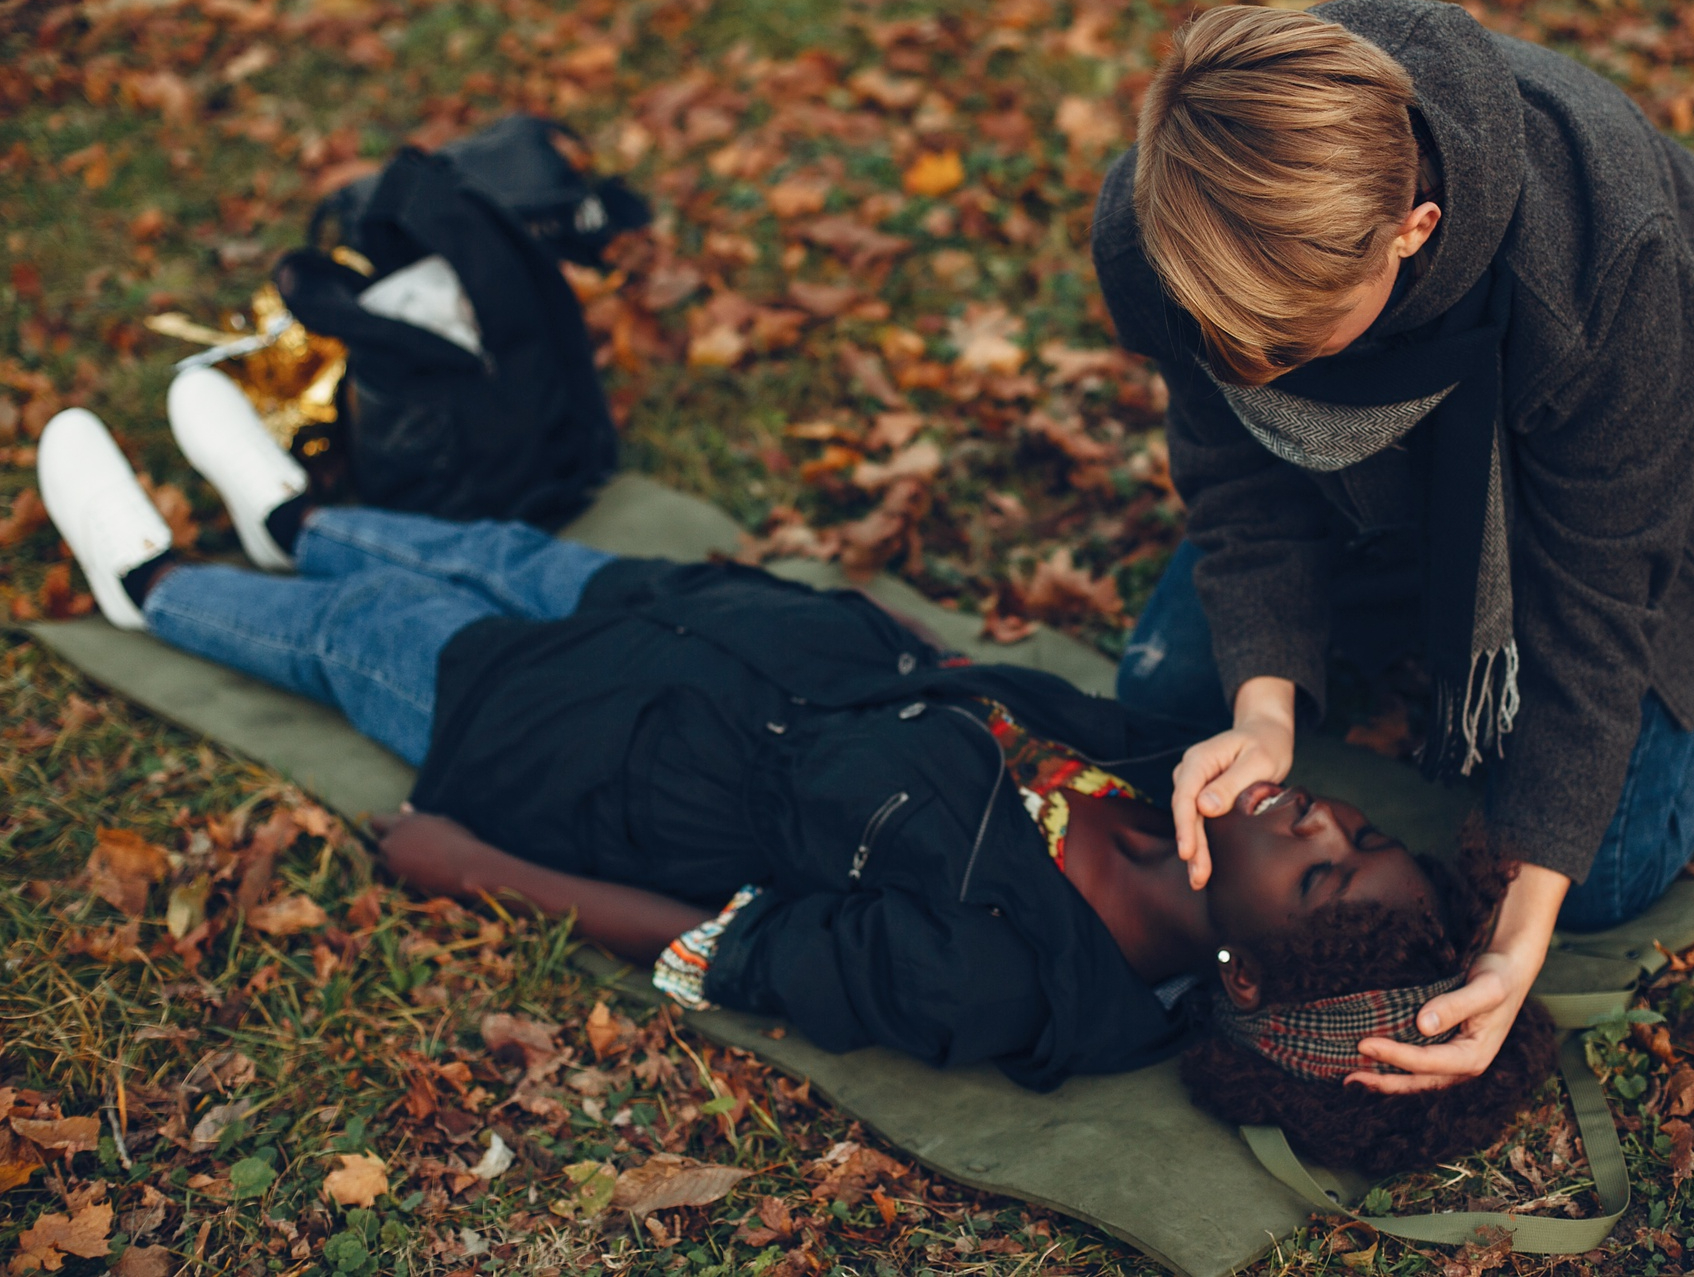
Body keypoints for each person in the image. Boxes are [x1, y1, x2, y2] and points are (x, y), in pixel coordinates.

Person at [37, 376, 1553, 1170]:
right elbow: (988, 699)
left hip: (596, 758)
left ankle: (160, 585)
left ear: (1249, 965)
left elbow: (742, 945)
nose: (1318, 814)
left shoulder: (1003, 982)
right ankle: (293, 512)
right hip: (722, 630)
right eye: (1355, 826)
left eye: (1326, 868)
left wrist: (483, 869)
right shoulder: (1178, 772)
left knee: (385, 635)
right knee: (502, 555)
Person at [1092, 0, 1694, 1093]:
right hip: (1374, 481)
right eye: (1227, 342)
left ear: (1414, 230)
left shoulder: (1600, 252)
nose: (1251, 371)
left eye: (1288, 342)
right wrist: (1262, 710)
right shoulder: (1167, 225)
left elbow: (1595, 595)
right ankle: (1408, 590)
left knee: (1597, 868)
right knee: (1164, 698)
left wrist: (1521, 931)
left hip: (1627, 465)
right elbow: (1243, 483)